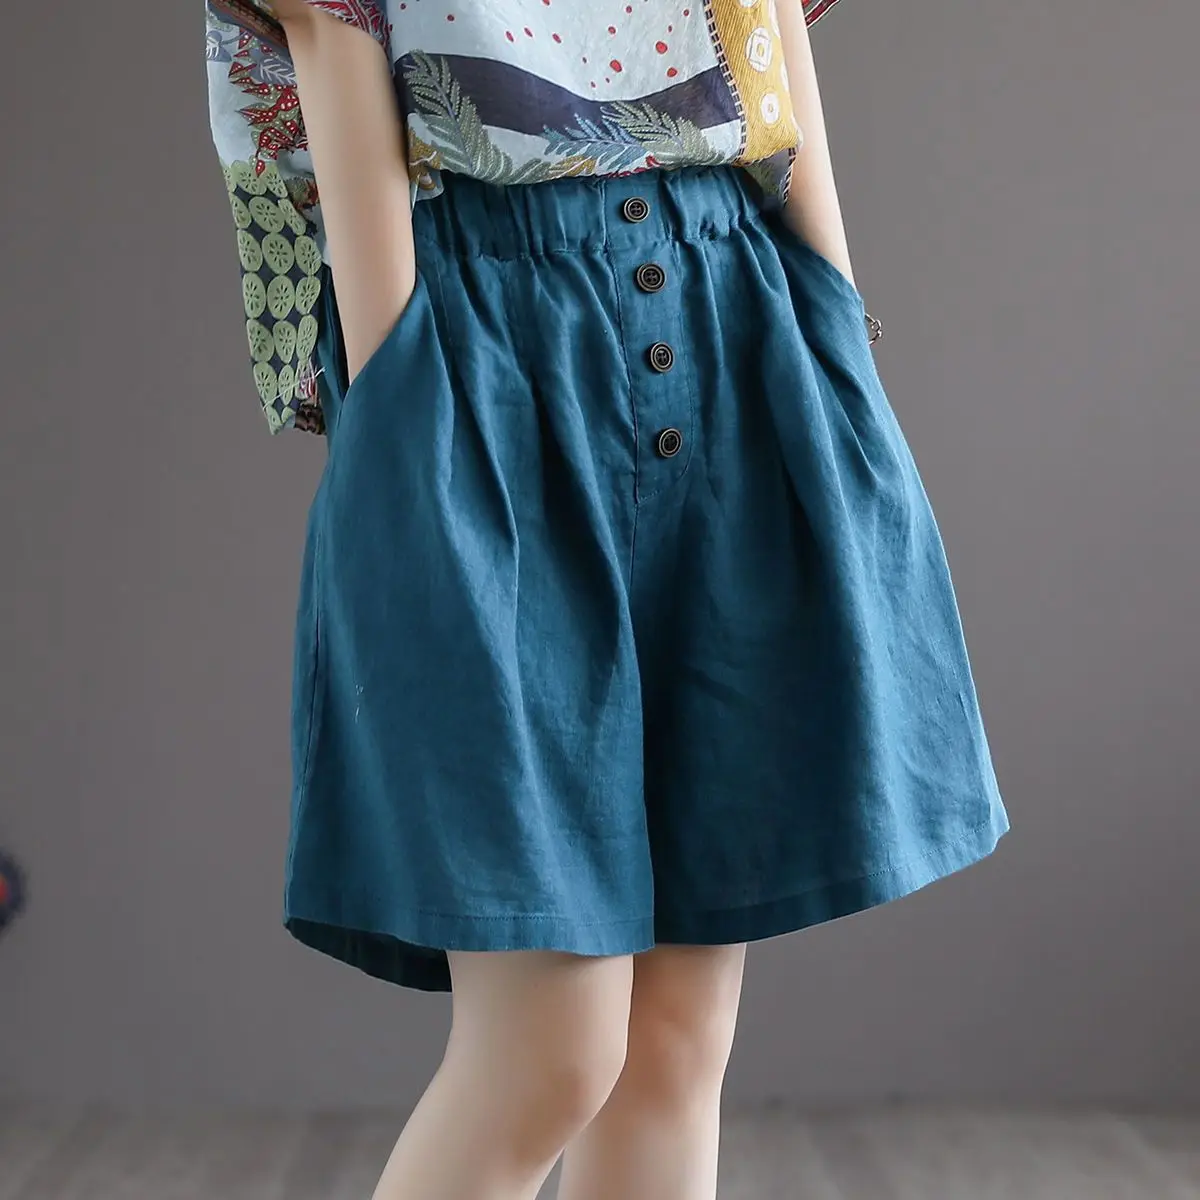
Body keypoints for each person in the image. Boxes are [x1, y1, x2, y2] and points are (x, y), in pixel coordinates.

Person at [203, 2, 1009, 1196]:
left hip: (734, 299)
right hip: (477, 338)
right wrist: (401, 396)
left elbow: (767, 27)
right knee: (549, 1055)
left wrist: (832, 316)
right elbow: (333, 37)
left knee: (674, 1046)